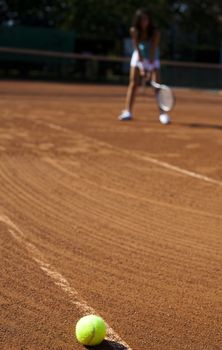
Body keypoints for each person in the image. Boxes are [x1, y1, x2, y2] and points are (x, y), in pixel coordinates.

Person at [119, 8, 171, 124]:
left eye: (146, 19)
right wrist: (142, 67)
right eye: (142, 19)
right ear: (138, 20)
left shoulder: (155, 32)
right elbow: (137, 48)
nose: (144, 21)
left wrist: (148, 70)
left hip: (153, 57)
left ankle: (163, 114)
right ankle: (128, 111)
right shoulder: (134, 30)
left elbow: (153, 50)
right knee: (133, 84)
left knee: (157, 86)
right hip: (139, 55)